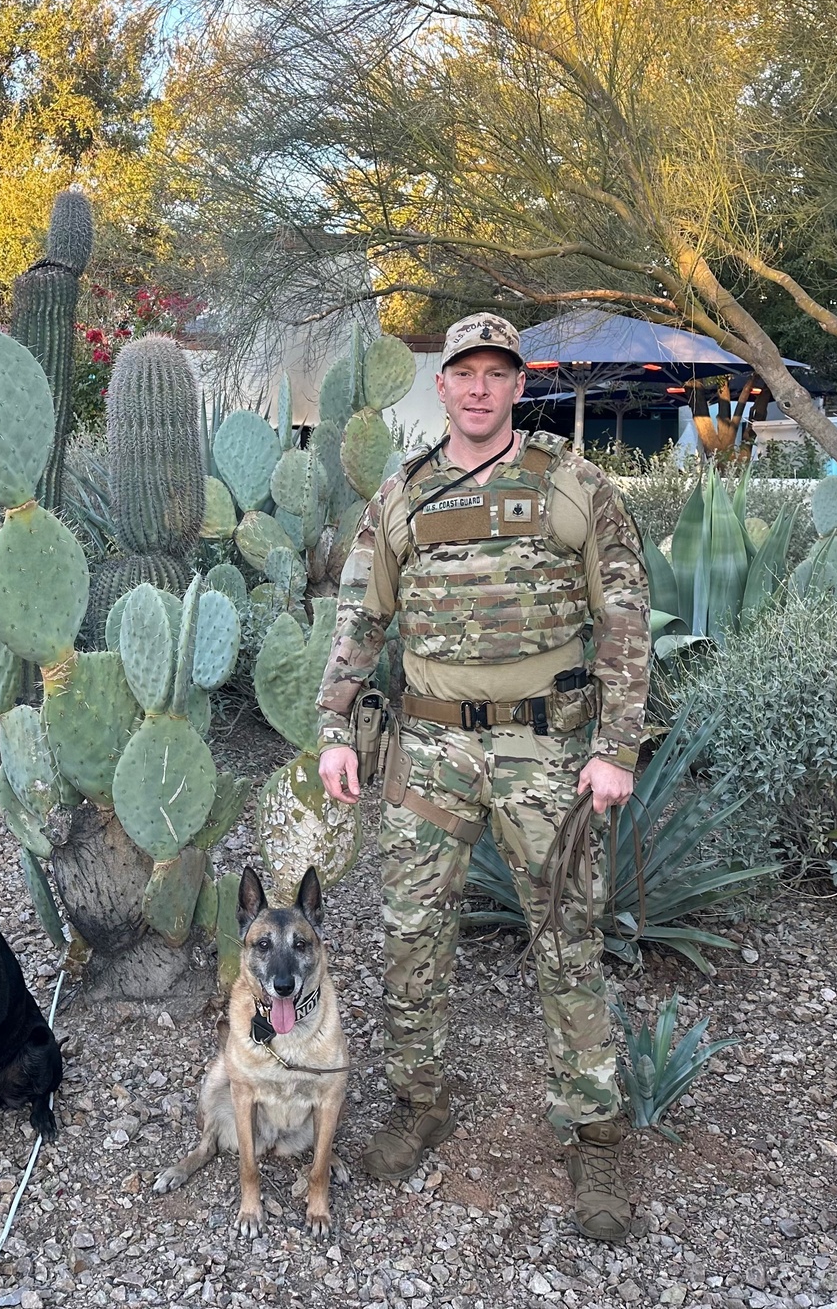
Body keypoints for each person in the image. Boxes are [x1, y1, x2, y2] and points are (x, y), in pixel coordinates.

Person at [315, 313, 651, 1242]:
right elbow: (360, 616)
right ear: (443, 384)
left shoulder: (572, 485)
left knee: (565, 934)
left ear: (516, 384)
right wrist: (335, 724)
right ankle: (421, 1102)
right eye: (462, 371)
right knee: (412, 929)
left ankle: (594, 1133)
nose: (476, 387)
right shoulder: (406, 495)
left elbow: (623, 614)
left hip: (545, 748)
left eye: (495, 373)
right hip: (430, 749)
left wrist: (616, 748)